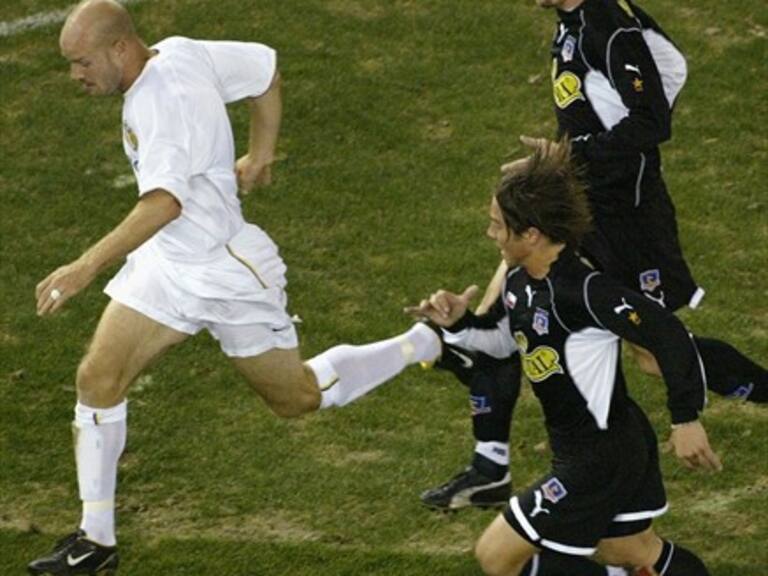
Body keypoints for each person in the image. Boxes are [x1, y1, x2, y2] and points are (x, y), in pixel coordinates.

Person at [27, 1, 444, 574]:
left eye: (81, 62)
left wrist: (85, 266)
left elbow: (164, 203)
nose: (76, 75)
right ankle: (96, 542)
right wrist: (263, 150)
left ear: (121, 48)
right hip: (170, 265)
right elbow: (265, 69)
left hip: (225, 272)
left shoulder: (161, 106)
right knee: (98, 378)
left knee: (295, 397)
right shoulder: (179, 51)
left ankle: (422, 343)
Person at [420, 0, 766, 513]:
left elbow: (651, 119)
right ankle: (489, 468)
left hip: (627, 217)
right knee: (505, 309)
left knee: (651, 353)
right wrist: (565, 156)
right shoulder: (574, 21)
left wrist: (575, 154)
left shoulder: (608, 24)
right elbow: (641, 81)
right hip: (577, 200)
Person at [409, 139, 718, 575]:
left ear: (530, 234)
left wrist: (685, 419)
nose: (491, 234)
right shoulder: (520, 281)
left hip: (600, 455)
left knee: (497, 556)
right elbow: (500, 343)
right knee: (632, 553)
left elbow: (667, 333)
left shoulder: (584, 290)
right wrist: (458, 322)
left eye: (498, 226)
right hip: (603, 445)